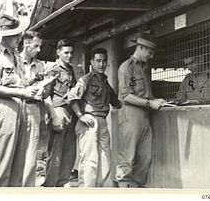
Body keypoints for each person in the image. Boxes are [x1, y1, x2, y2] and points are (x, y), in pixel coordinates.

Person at [0, 14, 39, 187]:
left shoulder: (16, 57)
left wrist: (31, 87)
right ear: (5, 36)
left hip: (20, 109)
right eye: (16, 35)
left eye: (19, 34)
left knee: (18, 164)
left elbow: (19, 83)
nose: (19, 38)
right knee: (1, 163)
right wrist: (23, 93)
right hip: (4, 109)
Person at [115, 35, 166, 188]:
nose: (152, 56)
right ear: (141, 48)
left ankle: (136, 191)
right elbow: (126, 96)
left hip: (144, 115)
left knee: (145, 157)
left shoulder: (144, 68)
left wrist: (157, 100)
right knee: (127, 157)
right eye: (149, 52)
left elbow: (146, 94)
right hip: (131, 114)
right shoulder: (127, 67)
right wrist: (150, 102)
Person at [68, 48, 121, 187]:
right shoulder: (86, 79)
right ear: (92, 62)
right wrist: (80, 116)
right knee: (90, 161)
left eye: (104, 61)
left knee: (106, 161)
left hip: (102, 122)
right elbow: (71, 97)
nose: (101, 64)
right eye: (98, 61)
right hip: (89, 121)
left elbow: (116, 102)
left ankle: (97, 190)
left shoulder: (105, 82)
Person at [9, 30, 46, 187]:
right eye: (36, 46)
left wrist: (41, 90)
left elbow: (42, 89)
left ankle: (27, 190)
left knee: (31, 152)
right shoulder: (13, 61)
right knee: (12, 151)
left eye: (40, 46)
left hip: (33, 108)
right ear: (25, 43)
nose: (38, 50)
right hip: (14, 108)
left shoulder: (39, 65)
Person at [42, 39, 77, 187]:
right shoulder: (53, 69)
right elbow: (45, 95)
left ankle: (62, 183)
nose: (69, 56)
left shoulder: (71, 70)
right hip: (58, 111)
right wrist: (54, 117)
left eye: (71, 53)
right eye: (66, 53)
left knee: (69, 151)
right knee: (55, 152)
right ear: (58, 52)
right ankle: (50, 186)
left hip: (70, 112)